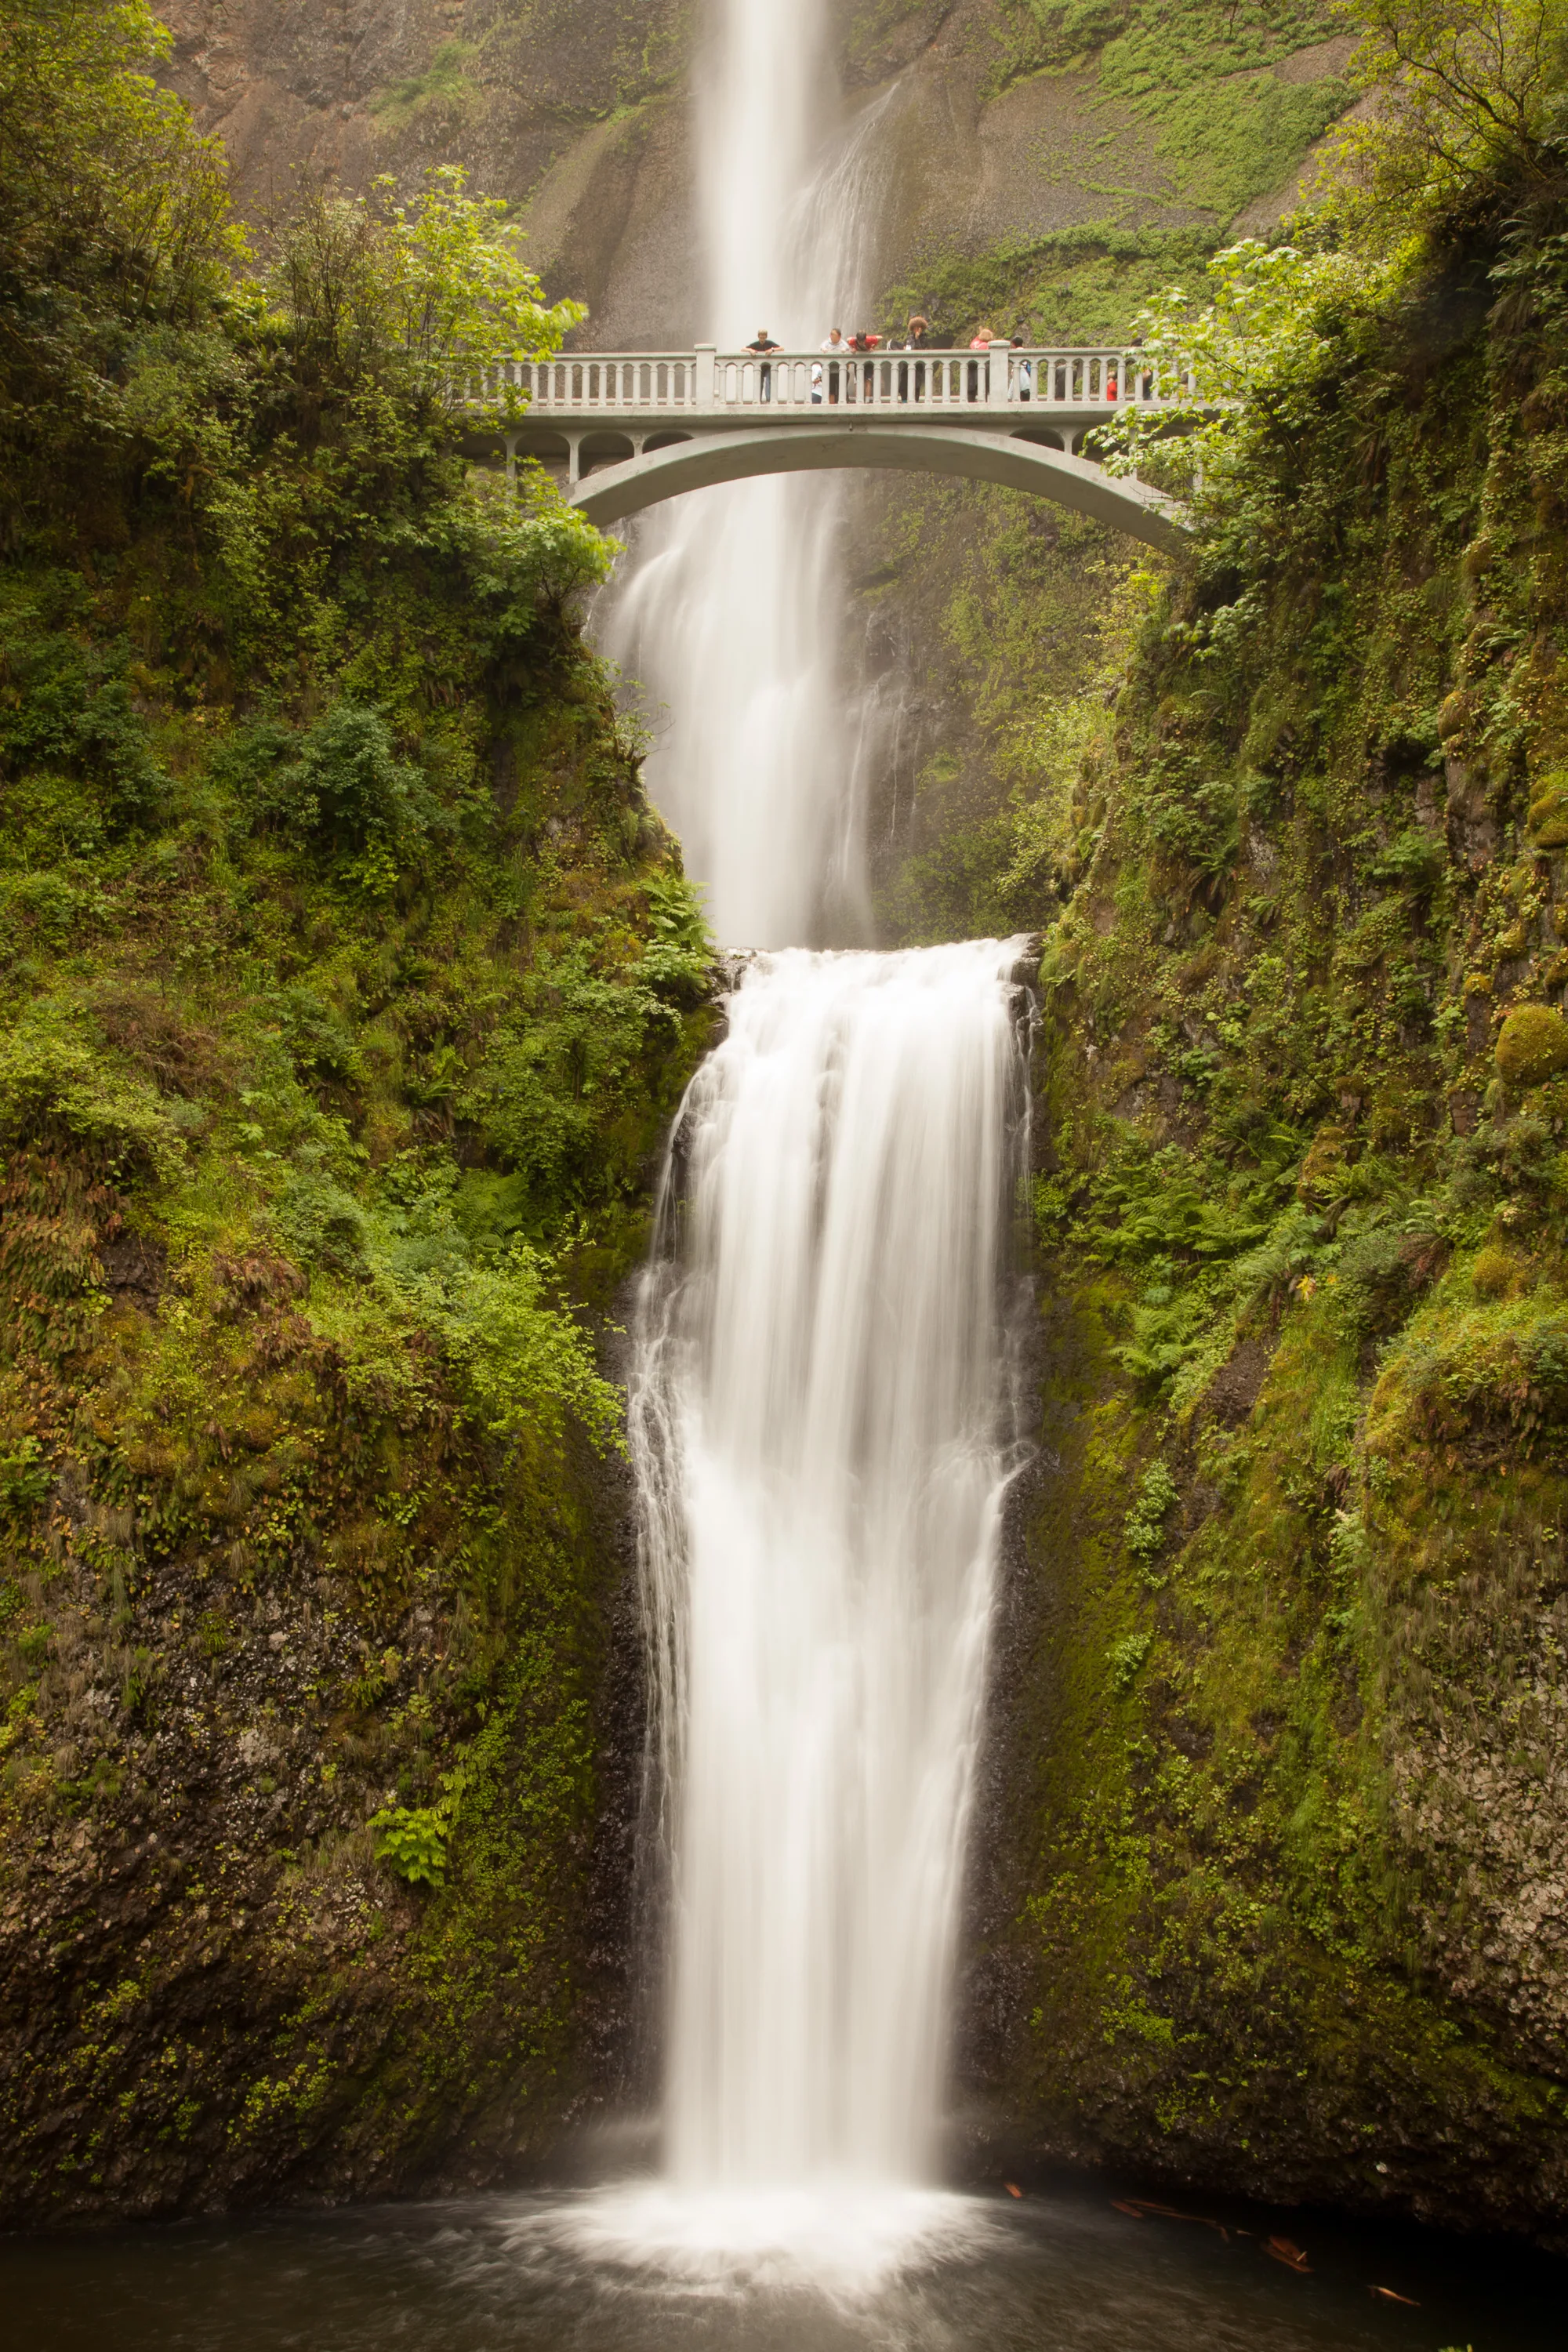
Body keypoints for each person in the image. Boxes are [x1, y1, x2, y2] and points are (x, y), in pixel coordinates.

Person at [746, 328, 780, 401]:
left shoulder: (769, 343)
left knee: (768, 382)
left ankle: (769, 399)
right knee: (759, 383)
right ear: (758, 336)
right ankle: (758, 399)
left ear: (766, 337)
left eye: (764, 337)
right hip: (760, 367)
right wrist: (750, 350)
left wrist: (772, 350)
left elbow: (781, 348)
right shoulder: (755, 344)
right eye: (761, 337)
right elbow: (743, 349)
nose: (762, 339)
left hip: (768, 367)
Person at [815, 325, 846, 404]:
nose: (831, 336)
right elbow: (821, 347)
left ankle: (842, 404)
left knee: (842, 389)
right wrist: (824, 349)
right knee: (831, 390)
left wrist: (844, 350)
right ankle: (831, 405)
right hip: (830, 370)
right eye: (831, 334)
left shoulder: (843, 343)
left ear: (839, 336)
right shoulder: (827, 342)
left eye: (833, 334)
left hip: (840, 369)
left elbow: (848, 348)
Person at [1011, 332, 1033, 403]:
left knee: (1017, 396)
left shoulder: (1014, 352)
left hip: (1019, 374)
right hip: (1026, 376)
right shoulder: (1026, 351)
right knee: (1026, 396)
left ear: (1014, 344)